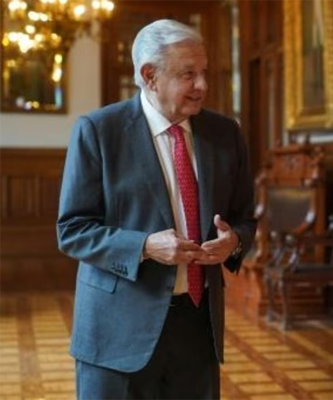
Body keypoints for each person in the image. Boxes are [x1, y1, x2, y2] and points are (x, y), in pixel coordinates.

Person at [57, 19, 256, 399]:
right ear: (149, 76)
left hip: (198, 330)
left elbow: (245, 218)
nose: (203, 86)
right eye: (188, 75)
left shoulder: (225, 133)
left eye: (203, 73)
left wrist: (233, 243)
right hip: (118, 333)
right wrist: (145, 246)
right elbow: (73, 230)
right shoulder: (99, 131)